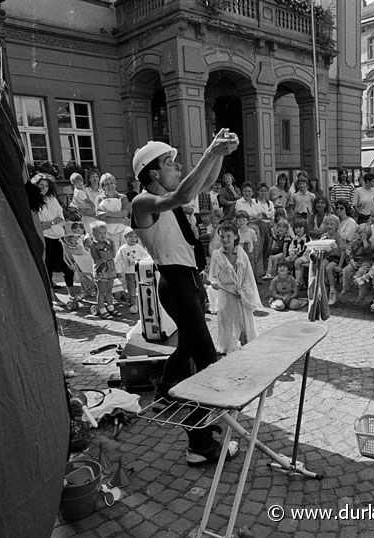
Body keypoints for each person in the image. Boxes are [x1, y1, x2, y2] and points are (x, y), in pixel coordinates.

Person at [131, 132, 240, 466]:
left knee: (189, 349)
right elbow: (184, 193)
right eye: (169, 163)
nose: (177, 167)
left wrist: (220, 152)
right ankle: (200, 444)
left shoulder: (172, 195)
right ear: (151, 173)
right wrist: (211, 150)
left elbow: (202, 182)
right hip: (175, 282)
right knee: (205, 360)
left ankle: (166, 391)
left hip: (188, 281)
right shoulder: (143, 202)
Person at [208, 222, 262, 353]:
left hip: (241, 294)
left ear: (235, 236)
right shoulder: (216, 255)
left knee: (244, 324)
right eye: (222, 237)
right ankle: (228, 348)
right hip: (226, 294)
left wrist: (244, 291)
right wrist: (214, 284)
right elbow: (212, 276)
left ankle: (247, 348)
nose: (225, 240)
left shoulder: (241, 253)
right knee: (227, 324)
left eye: (228, 236)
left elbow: (248, 275)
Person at [33, 173, 78, 304]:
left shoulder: (52, 199)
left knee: (67, 268)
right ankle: (53, 297)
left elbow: (61, 217)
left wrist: (50, 223)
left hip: (58, 236)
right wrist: (52, 222)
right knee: (48, 268)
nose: (43, 188)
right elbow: (39, 224)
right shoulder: (33, 202)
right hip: (45, 239)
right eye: (41, 185)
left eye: (46, 185)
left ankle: (72, 294)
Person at [113, 227, 149, 314]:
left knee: (141, 287)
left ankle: (141, 303)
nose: (133, 239)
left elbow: (146, 256)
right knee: (131, 289)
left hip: (139, 271)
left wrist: (144, 263)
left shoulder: (139, 247)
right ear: (125, 238)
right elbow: (117, 260)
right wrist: (118, 271)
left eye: (135, 237)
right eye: (130, 237)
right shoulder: (123, 249)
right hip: (129, 272)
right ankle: (134, 305)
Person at [87, 220, 118, 319]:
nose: (103, 235)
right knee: (101, 292)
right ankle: (101, 309)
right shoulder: (94, 246)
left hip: (110, 270)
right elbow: (97, 256)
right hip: (101, 271)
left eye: (104, 232)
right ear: (94, 234)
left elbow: (112, 255)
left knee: (109, 290)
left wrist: (112, 246)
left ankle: (110, 307)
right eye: (100, 233)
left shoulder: (109, 243)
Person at [96, 173, 131, 252]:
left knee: (124, 253)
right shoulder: (99, 199)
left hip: (122, 231)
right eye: (106, 184)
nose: (110, 186)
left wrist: (107, 214)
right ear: (103, 187)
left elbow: (125, 213)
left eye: (111, 183)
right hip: (107, 233)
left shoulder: (123, 197)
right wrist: (122, 220)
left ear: (115, 184)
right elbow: (100, 218)